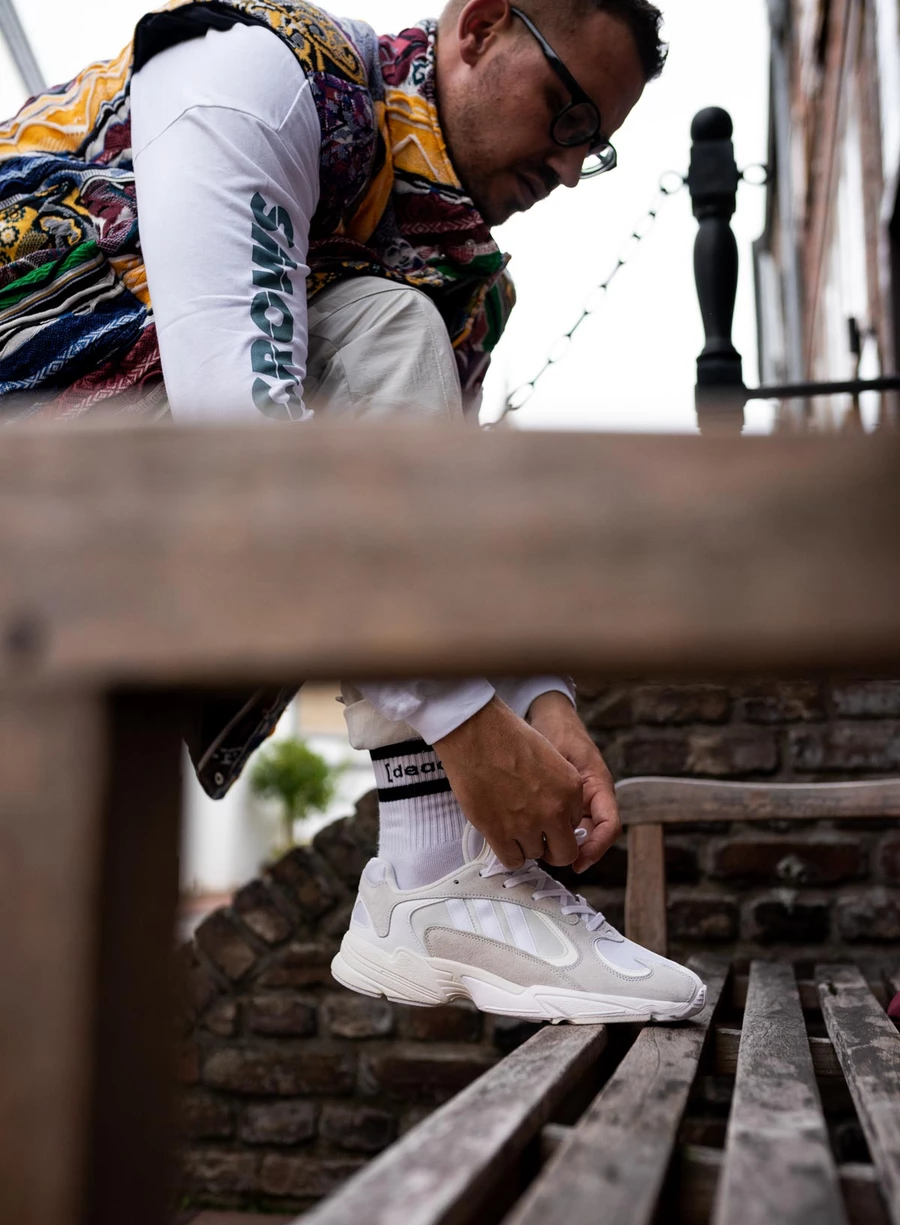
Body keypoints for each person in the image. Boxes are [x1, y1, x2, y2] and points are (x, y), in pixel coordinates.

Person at [0, 0, 705, 1022]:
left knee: (392, 328)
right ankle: (433, 874)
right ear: (481, 26)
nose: (564, 168)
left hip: (88, 535)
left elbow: (434, 527)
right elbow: (244, 453)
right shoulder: (254, 76)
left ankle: (435, 879)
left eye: (591, 148)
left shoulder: (453, 280)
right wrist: (466, 724)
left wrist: (542, 700)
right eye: (565, 113)